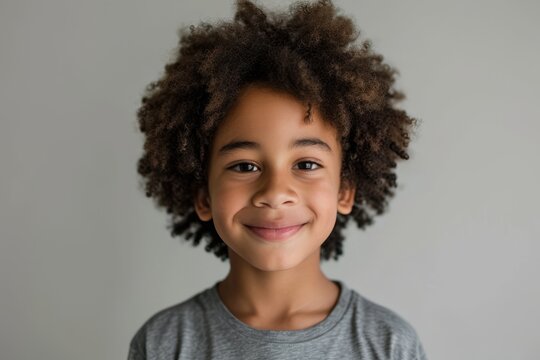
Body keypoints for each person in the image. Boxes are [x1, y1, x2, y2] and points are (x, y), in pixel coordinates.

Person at [128, 0, 428, 359]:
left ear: (344, 190)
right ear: (204, 196)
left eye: (306, 164)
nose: (275, 193)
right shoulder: (165, 343)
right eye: (244, 166)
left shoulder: (388, 344)